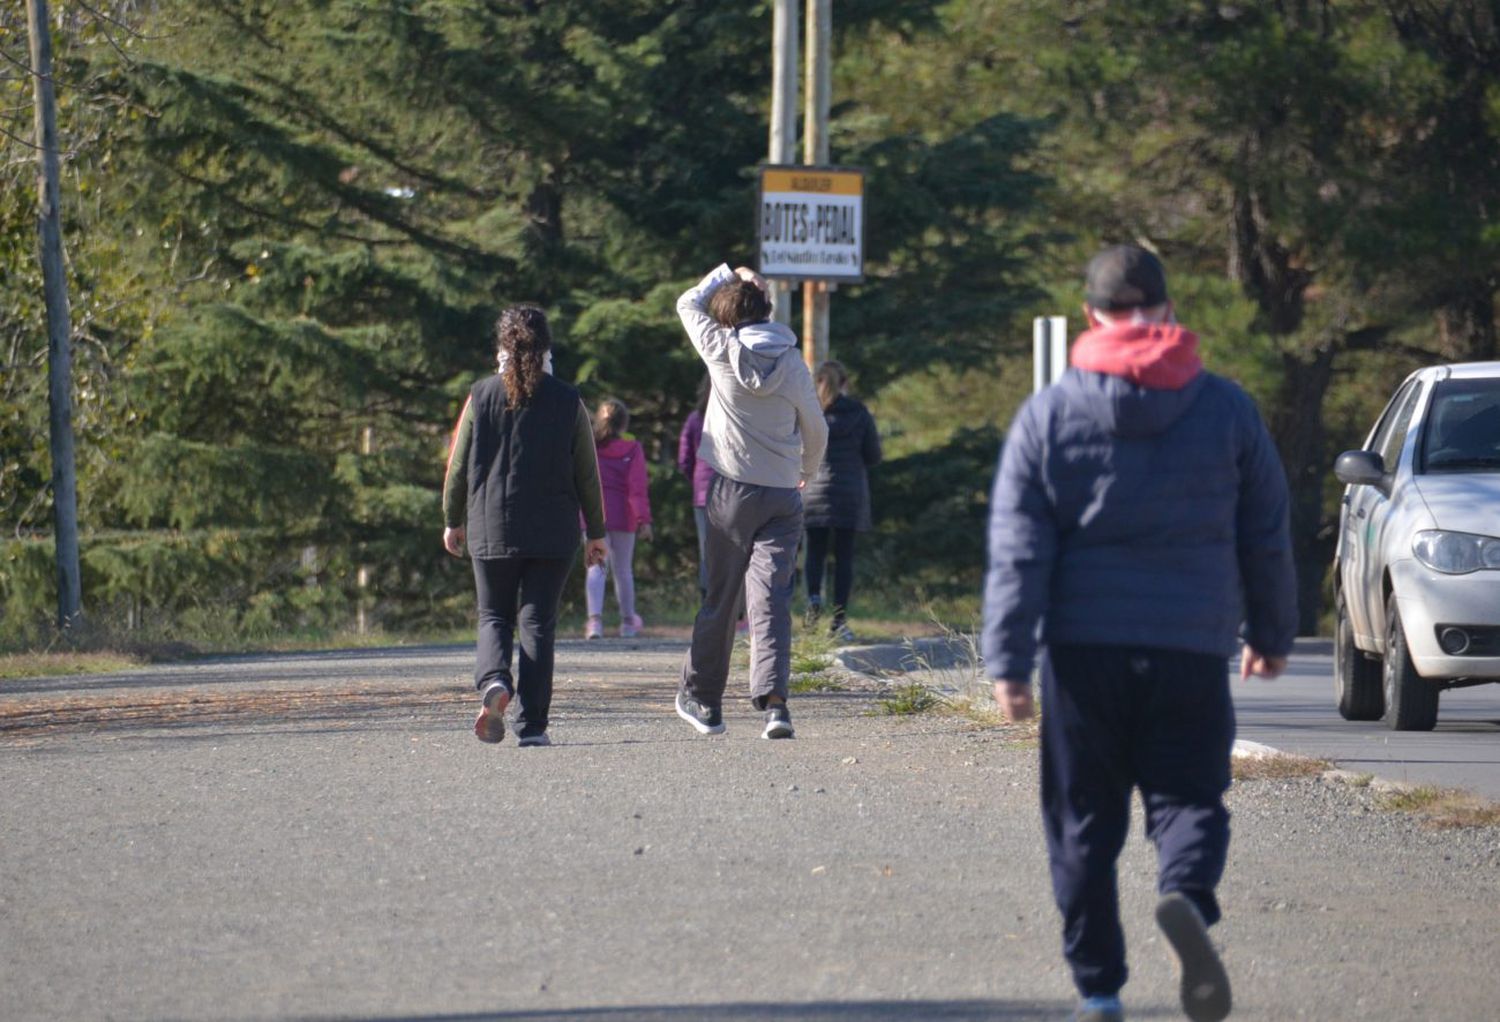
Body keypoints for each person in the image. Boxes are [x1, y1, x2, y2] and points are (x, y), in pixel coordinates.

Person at [981, 245, 1297, 1022]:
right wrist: (1271, 631)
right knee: (1189, 796)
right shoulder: (1227, 409)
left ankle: (1099, 987)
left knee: (1083, 819)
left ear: (1091, 315)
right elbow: (1266, 531)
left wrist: (1009, 663)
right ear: (1166, 309)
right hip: (1191, 646)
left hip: (1083, 654)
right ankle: (1185, 892)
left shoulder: (1049, 415)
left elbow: (1020, 546)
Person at [442, 304, 608, 748]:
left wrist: (451, 520)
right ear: (547, 348)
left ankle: (495, 681)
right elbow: (587, 472)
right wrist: (596, 531)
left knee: (494, 614)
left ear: (501, 348)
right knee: (537, 623)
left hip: (491, 525)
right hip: (554, 532)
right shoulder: (568, 400)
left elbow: (458, 466)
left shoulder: (480, 395)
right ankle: (532, 725)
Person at [674, 263, 828, 740]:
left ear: (729, 319)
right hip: (783, 495)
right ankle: (776, 707)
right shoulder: (794, 363)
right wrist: (804, 472)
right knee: (771, 602)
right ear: (768, 311)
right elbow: (817, 428)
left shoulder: (720, 347)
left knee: (722, 598)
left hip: (732, 491)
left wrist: (726, 272)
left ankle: (705, 701)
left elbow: (687, 303)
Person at [802, 360, 882, 642]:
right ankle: (838, 620)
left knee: (815, 552)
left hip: (813, 493)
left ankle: (813, 598)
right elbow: (873, 455)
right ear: (845, 383)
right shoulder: (859, 413)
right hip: (849, 494)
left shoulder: (810, 412)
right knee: (844, 556)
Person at [584, 398, 654, 639]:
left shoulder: (590, 447)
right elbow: (637, 487)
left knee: (596, 567)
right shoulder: (632, 449)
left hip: (595, 516)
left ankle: (594, 623)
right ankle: (627, 622)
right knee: (623, 570)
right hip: (624, 517)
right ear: (624, 424)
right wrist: (644, 520)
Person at [676, 374, 716, 602]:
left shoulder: (694, 418)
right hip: (731, 488)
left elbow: (684, 459)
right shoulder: (732, 415)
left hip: (702, 491)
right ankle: (735, 606)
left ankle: (706, 600)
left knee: (706, 550)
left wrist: (695, 477)